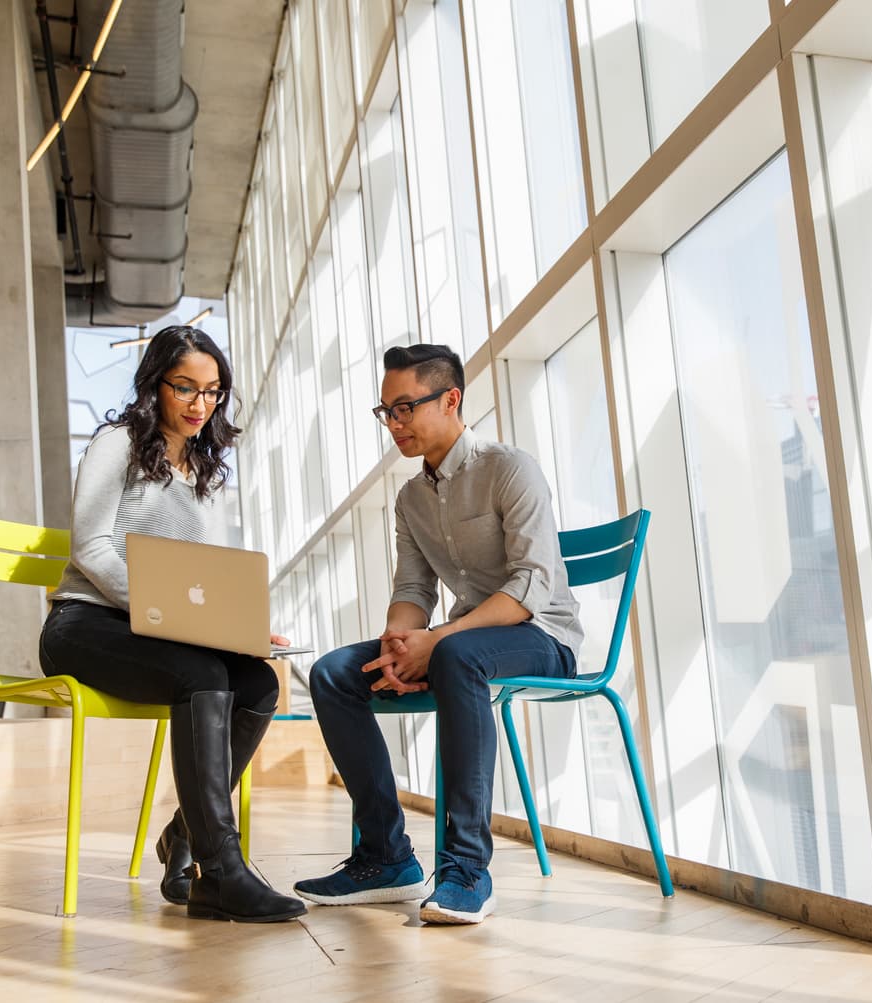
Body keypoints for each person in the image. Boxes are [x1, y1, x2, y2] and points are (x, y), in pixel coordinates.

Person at [294, 344, 582, 925]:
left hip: (542, 636)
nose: (394, 424)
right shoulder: (410, 499)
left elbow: (531, 586)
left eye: (405, 408)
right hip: (462, 642)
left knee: (454, 655)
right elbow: (413, 591)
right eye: (386, 412)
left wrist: (438, 640)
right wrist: (400, 646)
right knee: (333, 674)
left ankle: (467, 869)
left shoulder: (510, 468)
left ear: (450, 400)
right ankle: (386, 857)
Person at [38, 325, 304, 924]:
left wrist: (241, 626)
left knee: (259, 681)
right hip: (84, 626)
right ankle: (222, 873)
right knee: (203, 674)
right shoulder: (118, 442)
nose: (199, 405)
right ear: (154, 382)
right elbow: (90, 549)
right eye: (185, 388)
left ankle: (184, 836)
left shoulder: (205, 469)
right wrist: (173, 618)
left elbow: (201, 579)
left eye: (213, 392)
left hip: (159, 630)